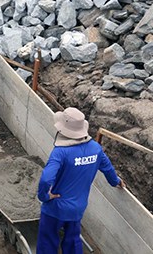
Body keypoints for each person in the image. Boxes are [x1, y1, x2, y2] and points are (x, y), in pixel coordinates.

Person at [37, 107, 125, 254]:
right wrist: (116, 181)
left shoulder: (60, 152)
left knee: (48, 241)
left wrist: (44, 196)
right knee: (73, 241)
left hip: (56, 208)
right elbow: (108, 169)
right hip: (78, 207)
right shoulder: (95, 149)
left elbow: (46, 179)